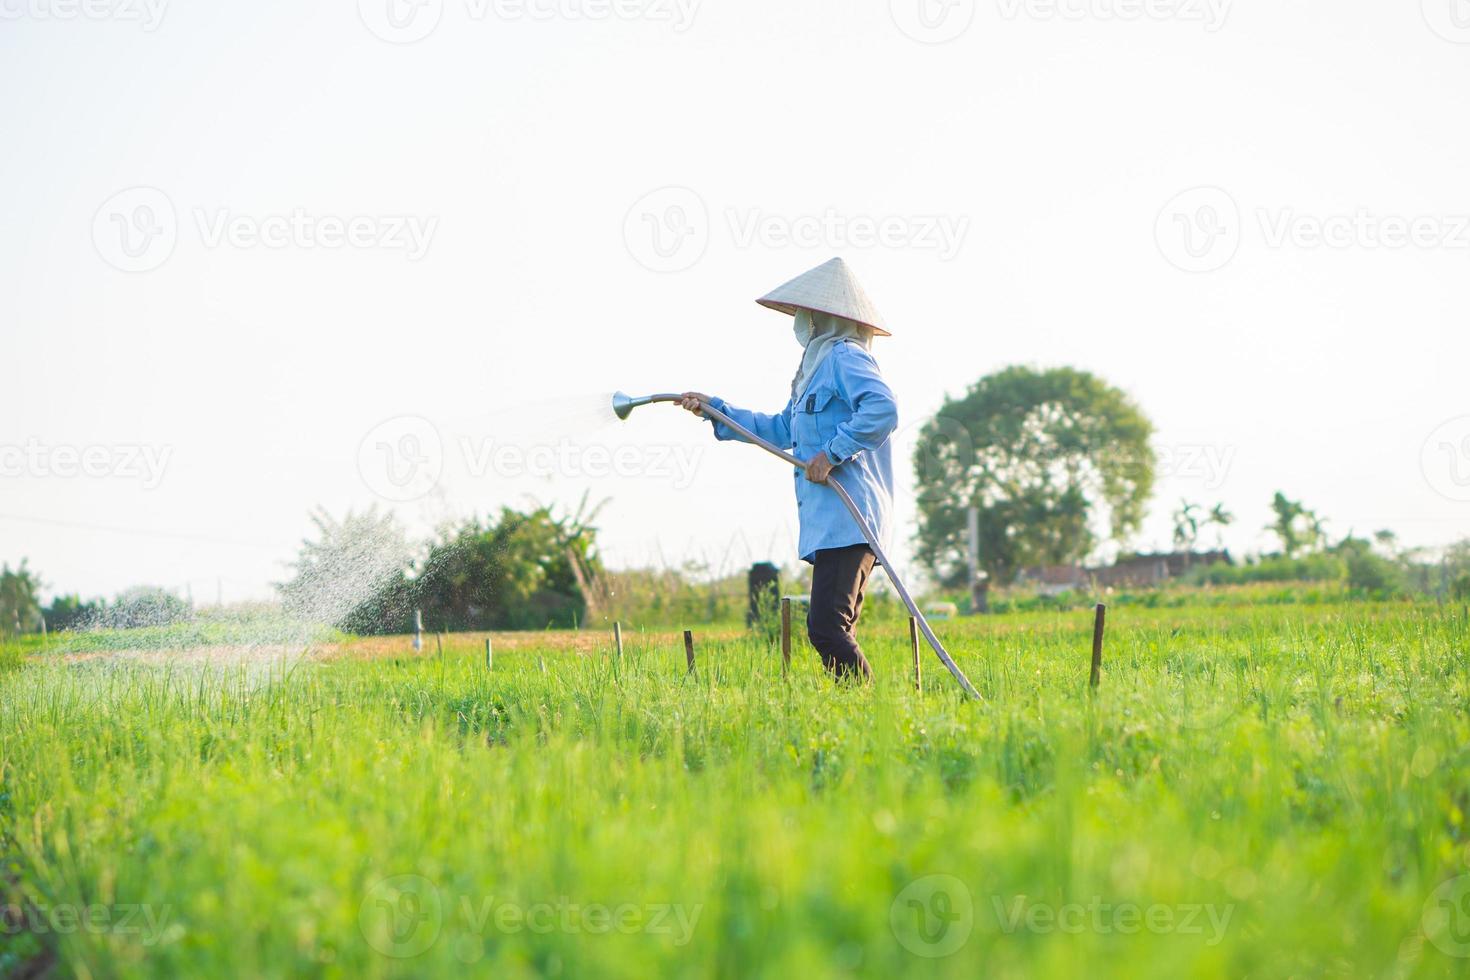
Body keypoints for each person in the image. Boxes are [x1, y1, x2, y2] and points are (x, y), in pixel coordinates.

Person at [677, 257, 898, 682]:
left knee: (826, 629)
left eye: (806, 314)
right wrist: (715, 411)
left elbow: (882, 409)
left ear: (823, 318)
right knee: (833, 628)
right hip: (830, 522)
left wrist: (832, 454)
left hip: (851, 517)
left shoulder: (844, 357)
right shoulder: (813, 372)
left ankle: (869, 709)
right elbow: (780, 429)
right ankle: (860, 712)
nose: (800, 321)